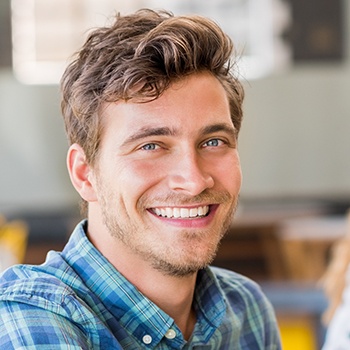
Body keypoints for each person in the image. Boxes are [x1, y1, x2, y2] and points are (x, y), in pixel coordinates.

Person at [0, 9, 281, 349]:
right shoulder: (27, 319)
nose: (193, 181)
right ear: (84, 173)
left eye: (213, 142)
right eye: (151, 146)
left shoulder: (246, 310)